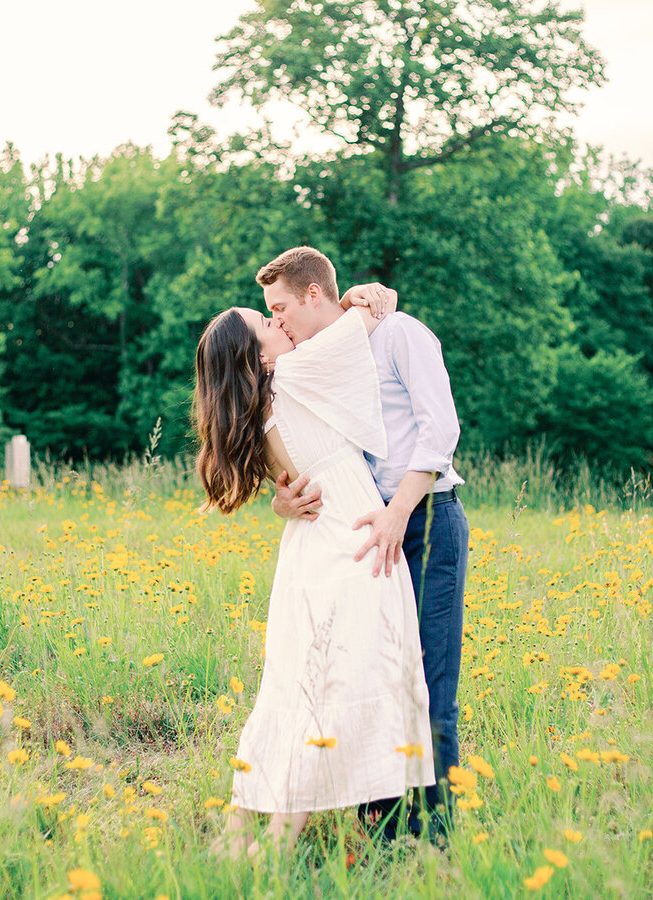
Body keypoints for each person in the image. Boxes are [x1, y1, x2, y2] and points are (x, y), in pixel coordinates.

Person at [193, 272, 434, 859]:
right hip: (352, 545)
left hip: (311, 552)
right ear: (255, 356)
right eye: (264, 323)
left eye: (274, 313)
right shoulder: (297, 373)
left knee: (291, 693)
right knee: (332, 694)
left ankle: (240, 835)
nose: (278, 322)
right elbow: (367, 320)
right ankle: (279, 845)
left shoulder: (261, 406)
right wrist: (373, 295)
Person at [263, 248, 469, 843]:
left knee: (427, 682)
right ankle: (382, 833)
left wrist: (397, 513)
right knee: (373, 679)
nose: (277, 322)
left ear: (312, 294)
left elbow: (440, 430)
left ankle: (432, 840)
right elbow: (298, 451)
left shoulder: (399, 334)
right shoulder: (311, 365)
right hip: (364, 534)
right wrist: (282, 499)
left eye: (281, 308)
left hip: (423, 520)